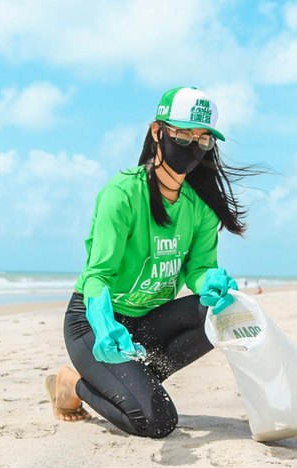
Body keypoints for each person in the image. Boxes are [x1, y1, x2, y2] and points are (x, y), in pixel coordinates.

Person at [45, 87, 256, 438]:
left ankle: (128, 380)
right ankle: (73, 384)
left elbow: (198, 269)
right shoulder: (122, 195)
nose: (193, 146)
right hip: (96, 323)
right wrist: (102, 320)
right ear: (158, 132)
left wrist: (210, 285)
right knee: (158, 422)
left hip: (144, 323)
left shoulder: (199, 206)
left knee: (218, 313)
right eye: (183, 135)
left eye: (203, 140)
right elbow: (98, 275)